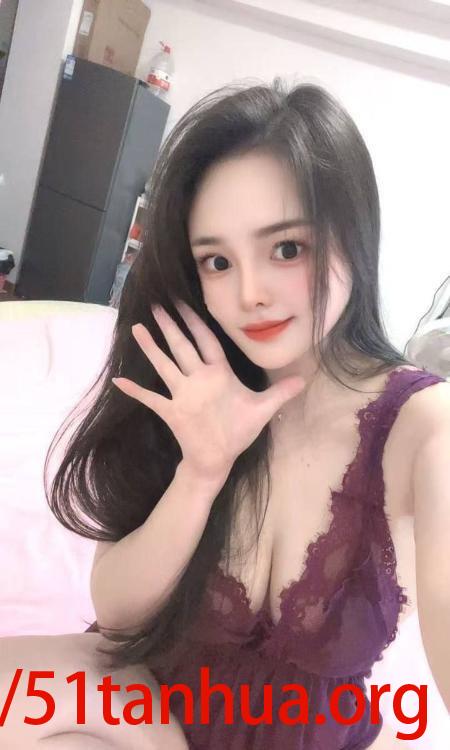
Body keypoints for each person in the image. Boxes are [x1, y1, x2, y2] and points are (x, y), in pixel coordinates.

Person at [1, 79, 448, 749]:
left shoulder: (424, 427)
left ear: (353, 235)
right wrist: (201, 471)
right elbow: (117, 617)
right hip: (151, 710)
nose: (249, 293)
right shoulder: (190, 387)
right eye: (216, 261)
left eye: (287, 249)